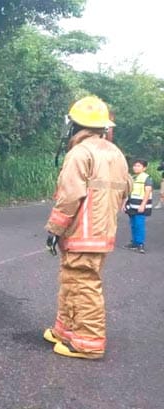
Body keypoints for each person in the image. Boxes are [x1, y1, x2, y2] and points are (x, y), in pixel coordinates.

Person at [43, 96, 131, 360]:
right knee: (73, 281)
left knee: (84, 284)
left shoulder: (80, 153)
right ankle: (66, 331)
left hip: (81, 231)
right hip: (101, 230)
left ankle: (88, 342)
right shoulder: (115, 153)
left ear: (75, 125)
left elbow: (69, 196)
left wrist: (55, 229)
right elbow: (124, 191)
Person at [123, 159, 153, 253]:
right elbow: (129, 192)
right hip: (132, 205)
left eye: (139, 166)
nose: (136, 167)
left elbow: (148, 192)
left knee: (139, 225)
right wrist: (124, 204)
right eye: (135, 165)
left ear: (144, 168)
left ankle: (140, 244)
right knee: (133, 224)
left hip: (140, 207)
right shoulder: (133, 177)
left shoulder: (147, 178)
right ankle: (134, 243)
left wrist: (143, 205)